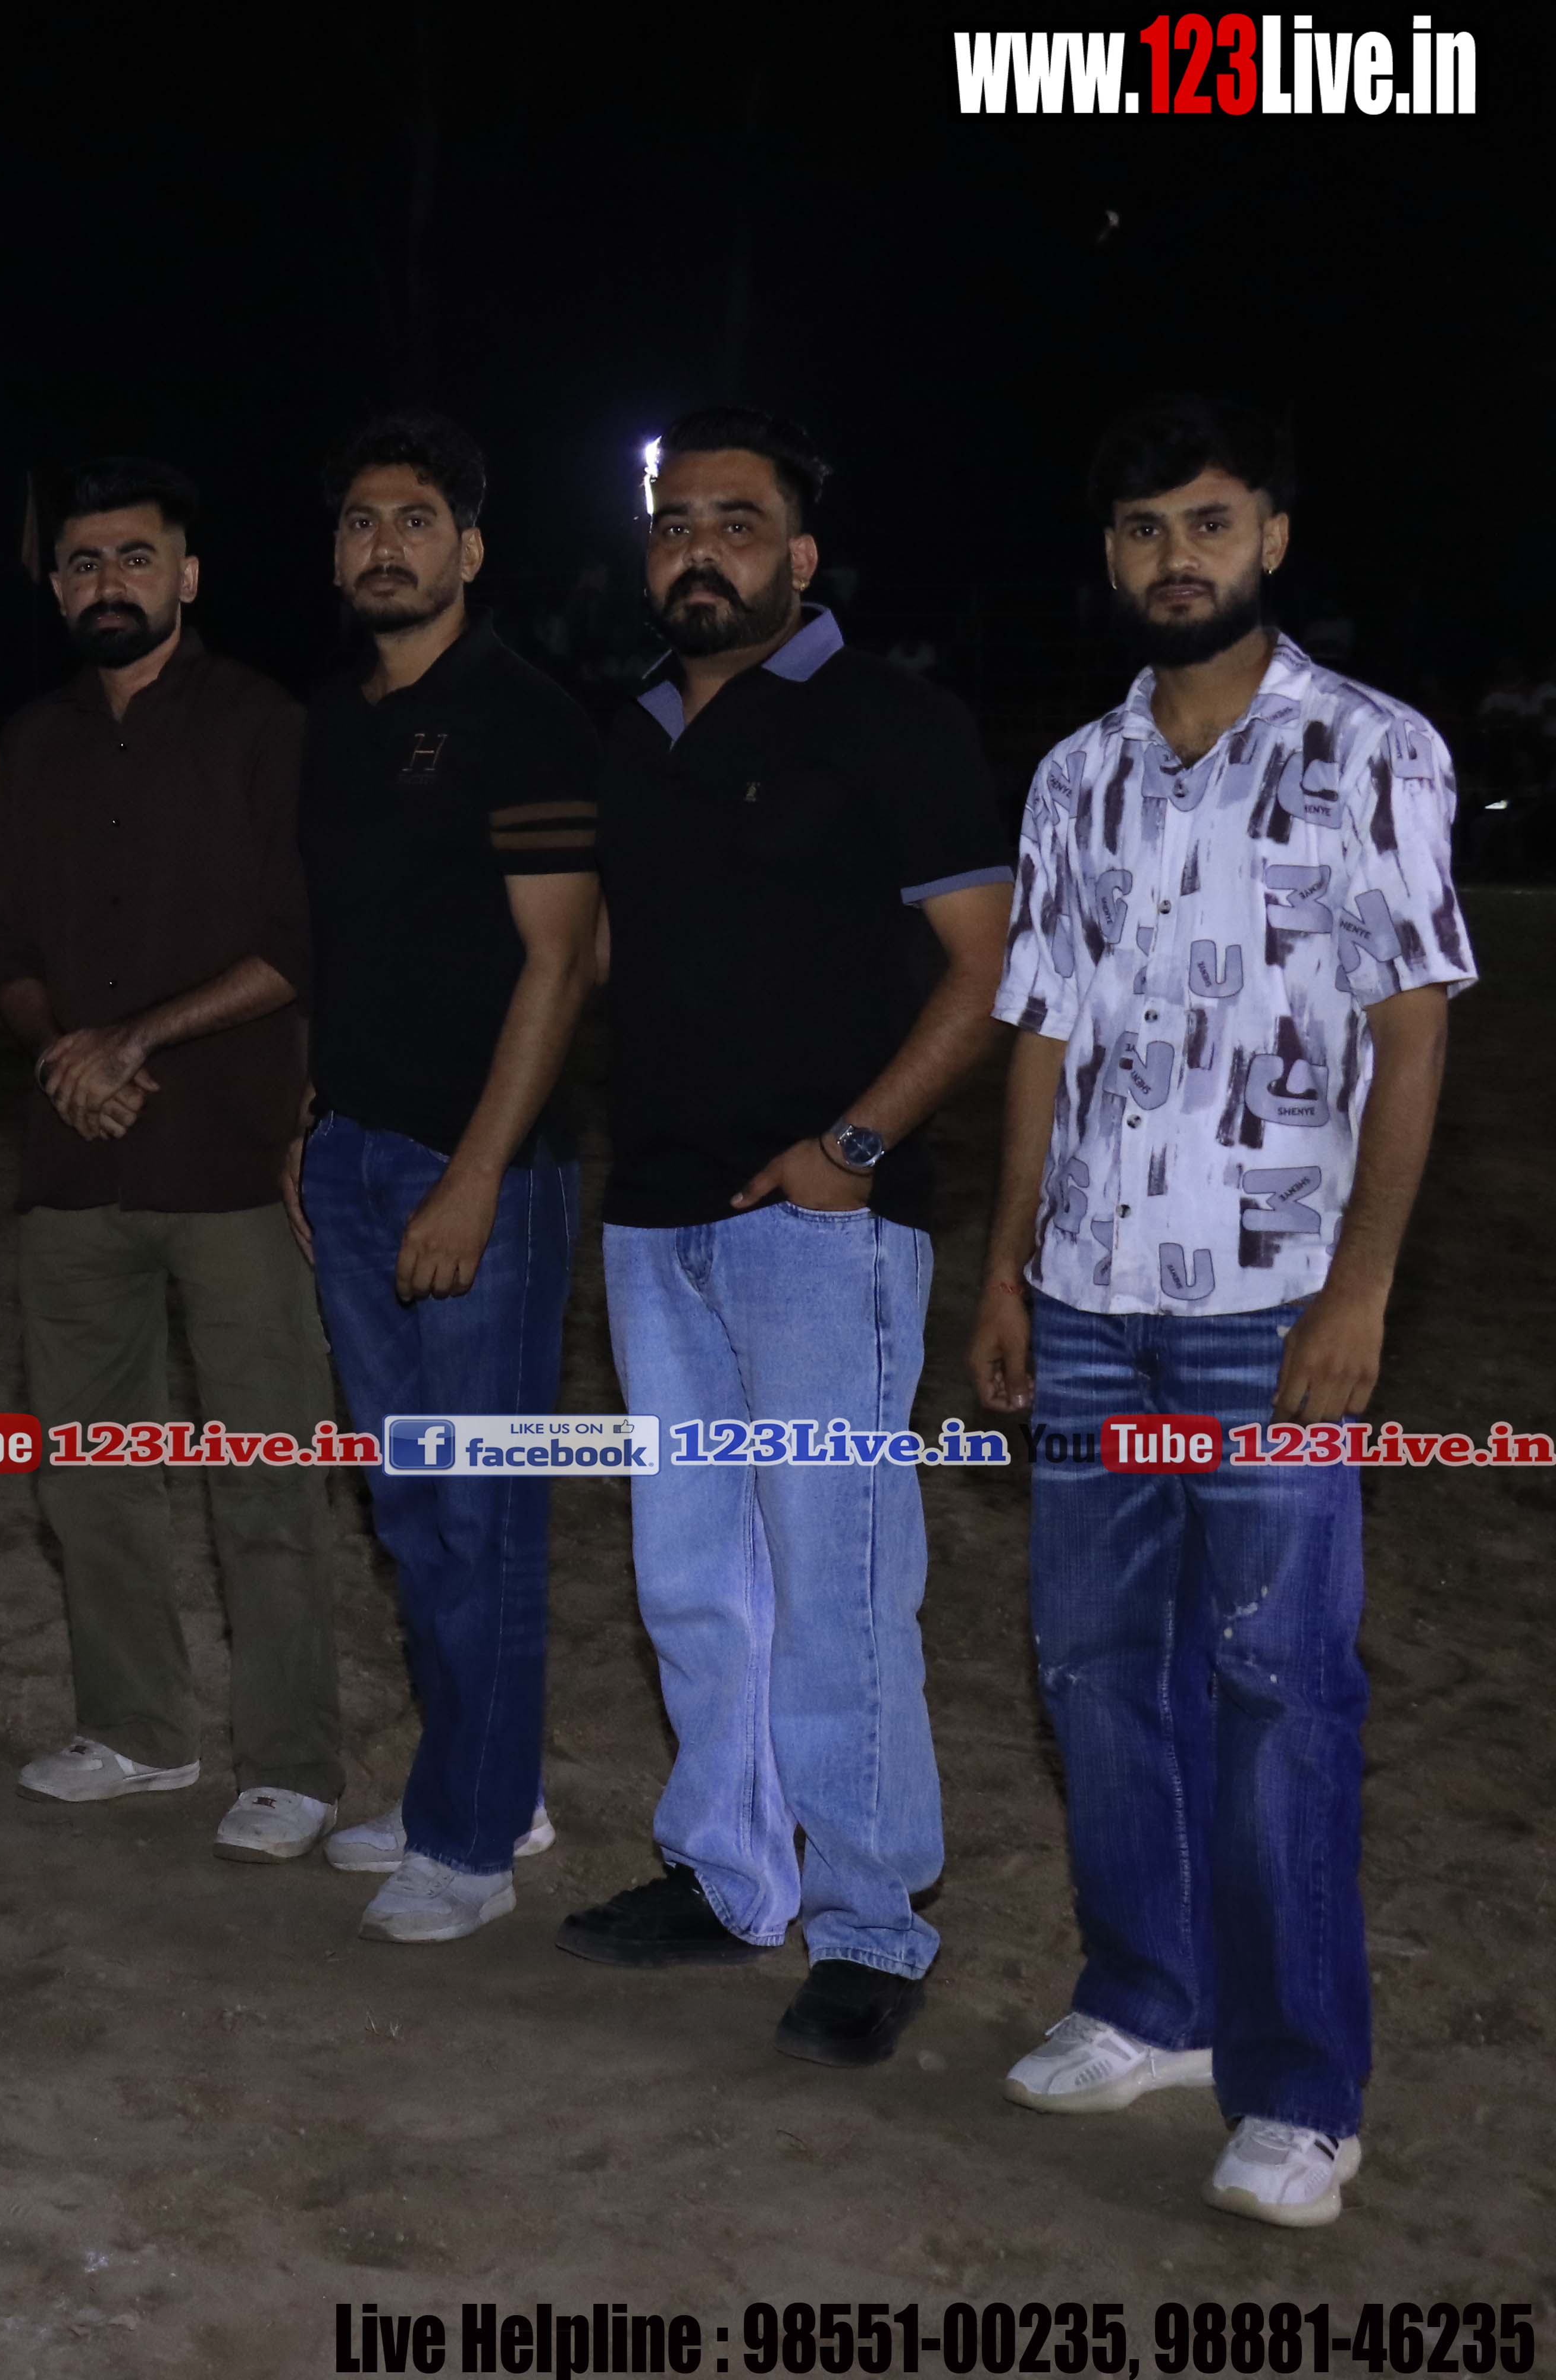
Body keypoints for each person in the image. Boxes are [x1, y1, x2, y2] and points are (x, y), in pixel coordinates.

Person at [968, 397, 1470, 2228]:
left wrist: (1361, 1289)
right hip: (1089, 1298)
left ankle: (1298, 2087)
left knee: (1277, 1687)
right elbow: (1040, 1030)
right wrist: (1006, 1265)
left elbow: (1410, 1031)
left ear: (1270, 535)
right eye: (1138, 528)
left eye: (1204, 521)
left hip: (1272, 1308)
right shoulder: (1072, 775)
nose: (1170, 557)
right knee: (1096, 1666)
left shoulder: (1371, 750)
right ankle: (1147, 1998)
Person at [561, 408, 1012, 2068]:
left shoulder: (892, 720)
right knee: (695, 1579)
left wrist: (854, 1147)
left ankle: (872, 1923)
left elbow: (990, 963)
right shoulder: (635, 734)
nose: (699, 550)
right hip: (656, 1213)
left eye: (736, 523)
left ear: (802, 557)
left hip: (829, 1226)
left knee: (841, 1581)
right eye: (675, 523)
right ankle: (730, 1872)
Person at [0, 458, 344, 1862]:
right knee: (91, 1471)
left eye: (135, 556)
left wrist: (137, 1039)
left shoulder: (267, 727)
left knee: (266, 1471)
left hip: (235, 1158)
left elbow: (300, 941)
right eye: (82, 561)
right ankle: (134, 1728)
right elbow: (6, 944)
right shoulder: (37, 740)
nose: (107, 581)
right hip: (74, 1164)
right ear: (55, 585)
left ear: (188, 575)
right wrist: (70, 1052)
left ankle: (293, 1762)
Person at [287, 414, 599, 1940]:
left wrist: (475, 1174)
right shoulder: (335, 721)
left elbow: (564, 959)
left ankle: (472, 1843)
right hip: (354, 1151)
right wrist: (312, 1118)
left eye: (415, 520)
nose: (384, 545)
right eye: (360, 520)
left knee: (485, 1513)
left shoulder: (520, 714)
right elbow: (342, 943)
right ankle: (478, 1787)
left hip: (482, 1169)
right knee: (410, 1502)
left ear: (470, 549)